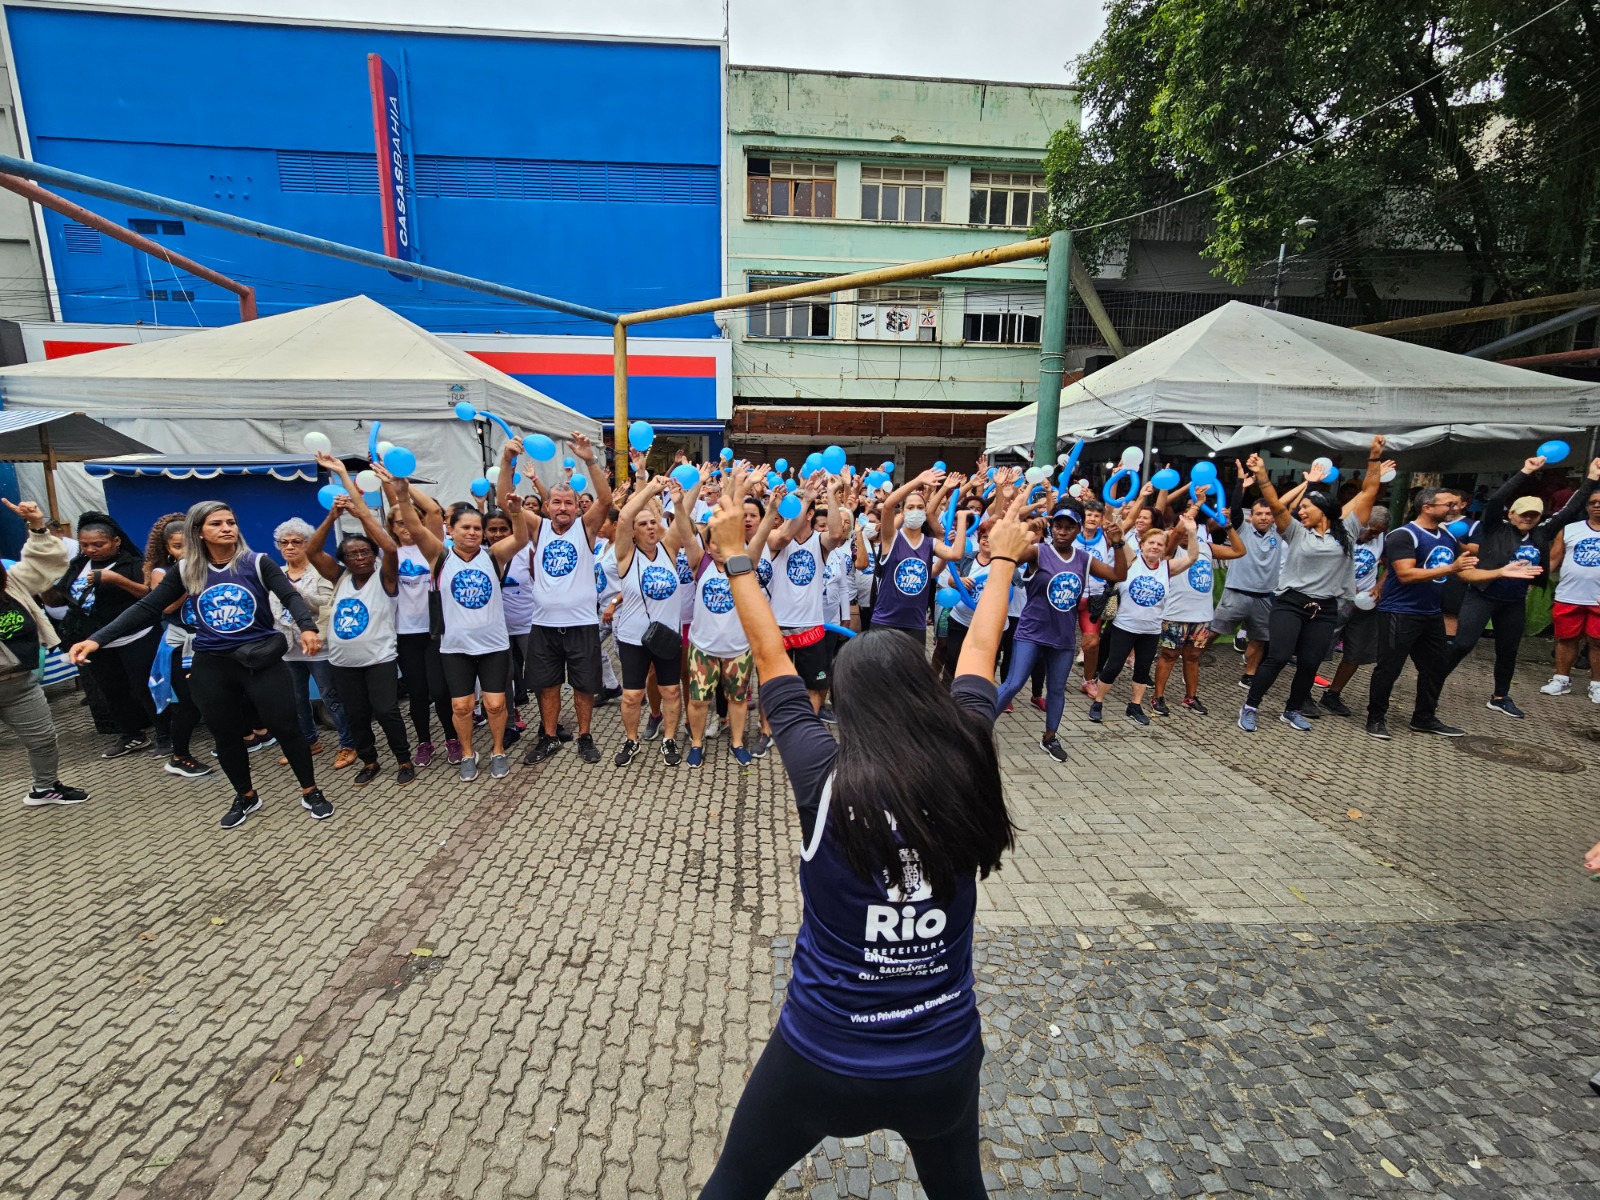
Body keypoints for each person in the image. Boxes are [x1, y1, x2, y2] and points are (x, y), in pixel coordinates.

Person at [696, 481, 1023, 1200]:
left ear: (845, 705)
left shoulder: (823, 777)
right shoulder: (968, 752)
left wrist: (733, 560)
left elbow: (770, 657)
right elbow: (979, 648)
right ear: (925, 697)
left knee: (731, 1188)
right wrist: (1001, 561)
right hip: (940, 1058)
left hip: (820, 1057)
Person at [69, 501, 332, 829]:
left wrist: (306, 626)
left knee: (288, 728)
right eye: (217, 523)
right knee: (226, 736)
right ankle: (246, 796)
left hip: (260, 661)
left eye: (231, 522)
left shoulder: (257, 562)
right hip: (213, 665)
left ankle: (311, 791)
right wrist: (97, 639)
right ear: (199, 532)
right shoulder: (187, 570)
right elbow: (148, 607)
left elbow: (291, 596)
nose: (227, 528)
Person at [382, 465, 528, 781]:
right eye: (465, 527)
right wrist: (402, 494)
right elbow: (415, 526)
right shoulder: (439, 556)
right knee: (461, 707)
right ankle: (466, 753)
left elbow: (521, 538)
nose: (473, 533)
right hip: (454, 648)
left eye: (478, 528)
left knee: (494, 703)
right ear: (451, 529)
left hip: (493, 646)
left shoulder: (493, 556)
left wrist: (516, 514)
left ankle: (498, 750)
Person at [1458, 455, 1598, 715]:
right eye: (1523, 514)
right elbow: (1498, 499)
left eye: (1534, 515)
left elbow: (1569, 509)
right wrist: (1524, 471)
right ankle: (1431, 680)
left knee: (1508, 650)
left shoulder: (1541, 533)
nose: (1528, 518)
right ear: (1511, 514)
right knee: (1463, 644)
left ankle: (1500, 697)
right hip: (1483, 596)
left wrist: (1590, 479)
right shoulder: (1495, 529)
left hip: (1513, 602)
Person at [306, 456, 416, 785]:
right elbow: (312, 552)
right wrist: (332, 516)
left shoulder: (385, 579)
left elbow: (390, 549)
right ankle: (369, 760)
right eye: (353, 554)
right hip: (343, 662)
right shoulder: (339, 578)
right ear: (344, 560)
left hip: (379, 659)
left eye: (365, 552)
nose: (360, 557)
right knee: (356, 715)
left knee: (386, 710)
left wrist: (362, 513)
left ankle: (403, 758)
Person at [1236, 456, 1362, 732]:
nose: (1301, 511)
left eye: (1306, 507)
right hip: (1291, 603)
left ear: (1324, 510)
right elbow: (1276, 505)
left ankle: (1292, 710)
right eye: (1301, 507)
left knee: (1309, 662)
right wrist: (1262, 476)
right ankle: (1250, 706)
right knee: (1278, 657)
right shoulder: (1295, 532)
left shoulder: (1347, 532)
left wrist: (1375, 461)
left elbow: (1371, 492)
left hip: (1325, 608)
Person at [994, 501, 1128, 760]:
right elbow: (1008, 559)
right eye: (1058, 526)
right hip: (1031, 631)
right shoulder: (1038, 552)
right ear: (1052, 527)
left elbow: (1118, 575)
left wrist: (1118, 543)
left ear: (1078, 529)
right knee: (1013, 683)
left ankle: (1049, 737)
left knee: (1056, 689)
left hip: (1063, 637)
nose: (1062, 532)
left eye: (1069, 527)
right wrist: (1028, 531)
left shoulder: (1084, 559)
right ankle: (977, 727)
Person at [511, 432, 612, 767]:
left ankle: (584, 736)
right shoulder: (537, 528)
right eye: (556, 502)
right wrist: (506, 461)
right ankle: (550, 737)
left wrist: (590, 460)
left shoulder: (585, 528)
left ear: (575, 506)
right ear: (546, 505)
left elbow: (606, 500)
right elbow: (502, 499)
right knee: (547, 685)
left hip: (582, 623)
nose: (563, 507)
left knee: (584, 687)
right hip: (543, 625)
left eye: (569, 502)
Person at [1364, 488, 1479, 740]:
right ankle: (1375, 718)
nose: (1454, 509)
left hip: (1431, 613)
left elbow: (1464, 572)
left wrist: (1502, 572)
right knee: (1389, 668)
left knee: (1435, 667)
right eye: (1447, 505)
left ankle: (1424, 718)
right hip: (1399, 612)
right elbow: (1406, 574)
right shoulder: (1403, 535)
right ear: (1427, 507)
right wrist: (1450, 568)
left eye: (1454, 504)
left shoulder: (1447, 536)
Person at [681, 464, 774, 766]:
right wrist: (730, 483)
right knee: (698, 700)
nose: (720, 546)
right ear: (707, 544)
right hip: (703, 649)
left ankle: (737, 742)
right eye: (714, 541)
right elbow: (684, 524)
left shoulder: (743, 561)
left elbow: (737, 515)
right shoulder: (700, 563)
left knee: (737, 700)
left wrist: (746, 487)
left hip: (738, 649)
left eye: (725, 539)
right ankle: (696, 744)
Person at [0, 497, 87, 806]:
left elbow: (45, 566)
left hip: (19, 682)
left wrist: (37, 526)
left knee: (43, 739)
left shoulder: (10, 583)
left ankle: (44, 787)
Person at [51, 511, 158, 758]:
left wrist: (115, 579)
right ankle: (132, 735)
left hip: (134, 638)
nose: (91, 550)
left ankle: (166, 734)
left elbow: (148, 596)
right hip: (95, 642)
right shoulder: (78, 565)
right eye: (85, 545)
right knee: (112, 691)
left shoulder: (133, 564)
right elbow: (62, 597)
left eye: (98, 544)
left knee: (145, 688)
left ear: (116, 541)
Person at [610, 474, 686, 767]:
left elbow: (682, 521)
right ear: (633, 531)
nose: (650, 527)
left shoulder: (669, 549)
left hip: (666, 636)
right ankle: (631, 740)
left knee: (670, 691)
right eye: (642, 524)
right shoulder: (626, 554)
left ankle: (668, 738)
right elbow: (625, 514)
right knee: (632, 695)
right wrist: (651, 489)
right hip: (633, 638)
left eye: (653, 522)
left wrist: (678, 502)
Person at [1090, 522, 1198, 726]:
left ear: (1165, 549)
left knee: (1142, 669)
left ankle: (1135, 706)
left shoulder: (1167, 568)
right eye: (1151, 543)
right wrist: (1116, 523)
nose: (1155, 546)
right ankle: (1098, 702)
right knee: (1113, 666)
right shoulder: (1132, 560)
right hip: (1124, 626)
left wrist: (1191, 533)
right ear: (1142, 545)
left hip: (1151, 630)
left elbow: (1192, 557)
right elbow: (1120, 539)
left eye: (1160, 544)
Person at [272, 517, 357, 770]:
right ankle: (309, 742)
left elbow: (327, 604)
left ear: (308, 544)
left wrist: (295, 593)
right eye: (284, 542)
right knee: (296, 699)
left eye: (296, 542)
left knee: (331, 697)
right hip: (288, 648)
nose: (289, 547)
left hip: (318, 646)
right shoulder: (275, 573)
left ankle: (348, 744)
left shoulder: (319, 571)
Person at [1150, 496, 1244, 716]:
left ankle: (1191, 697)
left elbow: (1239, 551)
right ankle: (1158, 697)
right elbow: (1175, 533)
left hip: (1201, 615)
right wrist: (1196, 505)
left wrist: (1228, 526)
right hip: (1175, 613)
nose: (1183, 531)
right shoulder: (1171, 548)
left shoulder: (1206, 547)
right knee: (1169, 656)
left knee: (1193, 657)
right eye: (1182, 527)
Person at [386, 484, 453, 766]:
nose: (405, 527)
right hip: (406, 632)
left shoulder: (432, 547)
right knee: (417, 694)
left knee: (441, 691)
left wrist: (403, 485)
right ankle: (425, 742)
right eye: (399, 522)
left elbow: (436, 511)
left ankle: (453, 738)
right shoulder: (388, 552)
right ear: (391, 526)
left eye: (410, 520)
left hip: (436, 630)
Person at [143, 512, 213, 779]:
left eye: (189, 544)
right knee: (188, 703)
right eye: (177, 546)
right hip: (180, 647)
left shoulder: (207, 565)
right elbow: (167, 606)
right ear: (167, 549)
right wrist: (187, 579)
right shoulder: (163, 573)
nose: (185, 551)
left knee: (212, 698)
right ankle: (178, 756)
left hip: (206, 643)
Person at [871, 469, 969, 643]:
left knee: (910, 671)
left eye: (920, 507)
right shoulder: (892, 538)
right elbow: (888, 506)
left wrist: (961, 521)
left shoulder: (930, 543)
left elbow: (955, 554)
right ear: (903, 512)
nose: (915, 511)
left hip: (915, 625)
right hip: (885, 622)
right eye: (910, 507)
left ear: (925, 512)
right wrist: (918, 480)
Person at [1209, 463, 1282, 687]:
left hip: (1264, 596)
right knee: (1213, 632)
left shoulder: (1280, 531)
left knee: (1259, 639)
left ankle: (1249, 675)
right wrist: (1241, 483)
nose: (1263, 517)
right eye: (1259, 513)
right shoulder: (1241, 527)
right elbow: (1236, 506)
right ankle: (1192, 656)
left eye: (1268, 513)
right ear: (1252, 516)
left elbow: (1284, 507)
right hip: (1236, 593)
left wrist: (1309, 484)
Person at [1318, 506, 1390, 717]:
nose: (1373, 535)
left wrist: (1378, 587)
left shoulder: (1384, 540)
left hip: (1364, 605)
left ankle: (1333, 694)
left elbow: (1391, 565)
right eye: (1371, 530)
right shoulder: (1339, 533)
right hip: (1333, 600)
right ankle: (1302, 693)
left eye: (1378, 532)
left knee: (1357, 652)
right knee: (1318, 648)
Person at [1540, 474, 1600, 702]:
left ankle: (1597, 684)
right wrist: (1534, 581)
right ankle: (1561, 679)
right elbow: (1553, 560)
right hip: (1569, 594)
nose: (1597, 507)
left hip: (1598, 598)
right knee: (1565, 639)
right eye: (1592, 503)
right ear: (1586, 507)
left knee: (1597, 641)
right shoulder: (1570, 529)